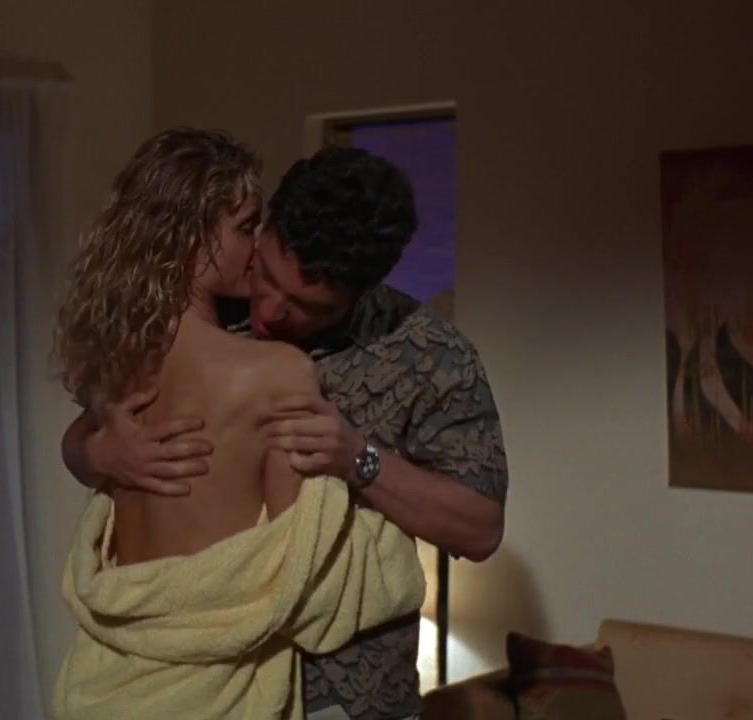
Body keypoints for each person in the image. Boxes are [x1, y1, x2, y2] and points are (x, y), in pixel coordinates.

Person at [62, 145, 509, 720]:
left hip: (350, 697)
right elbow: (85, 435)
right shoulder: (217, 302)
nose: (269, 311)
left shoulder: (430, 358)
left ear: (359, 292)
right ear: (266, 229)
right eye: (267, 276)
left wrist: (359, 458)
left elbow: (480, 529)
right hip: (201, 680)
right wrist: (97, 450)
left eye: (304, 305)